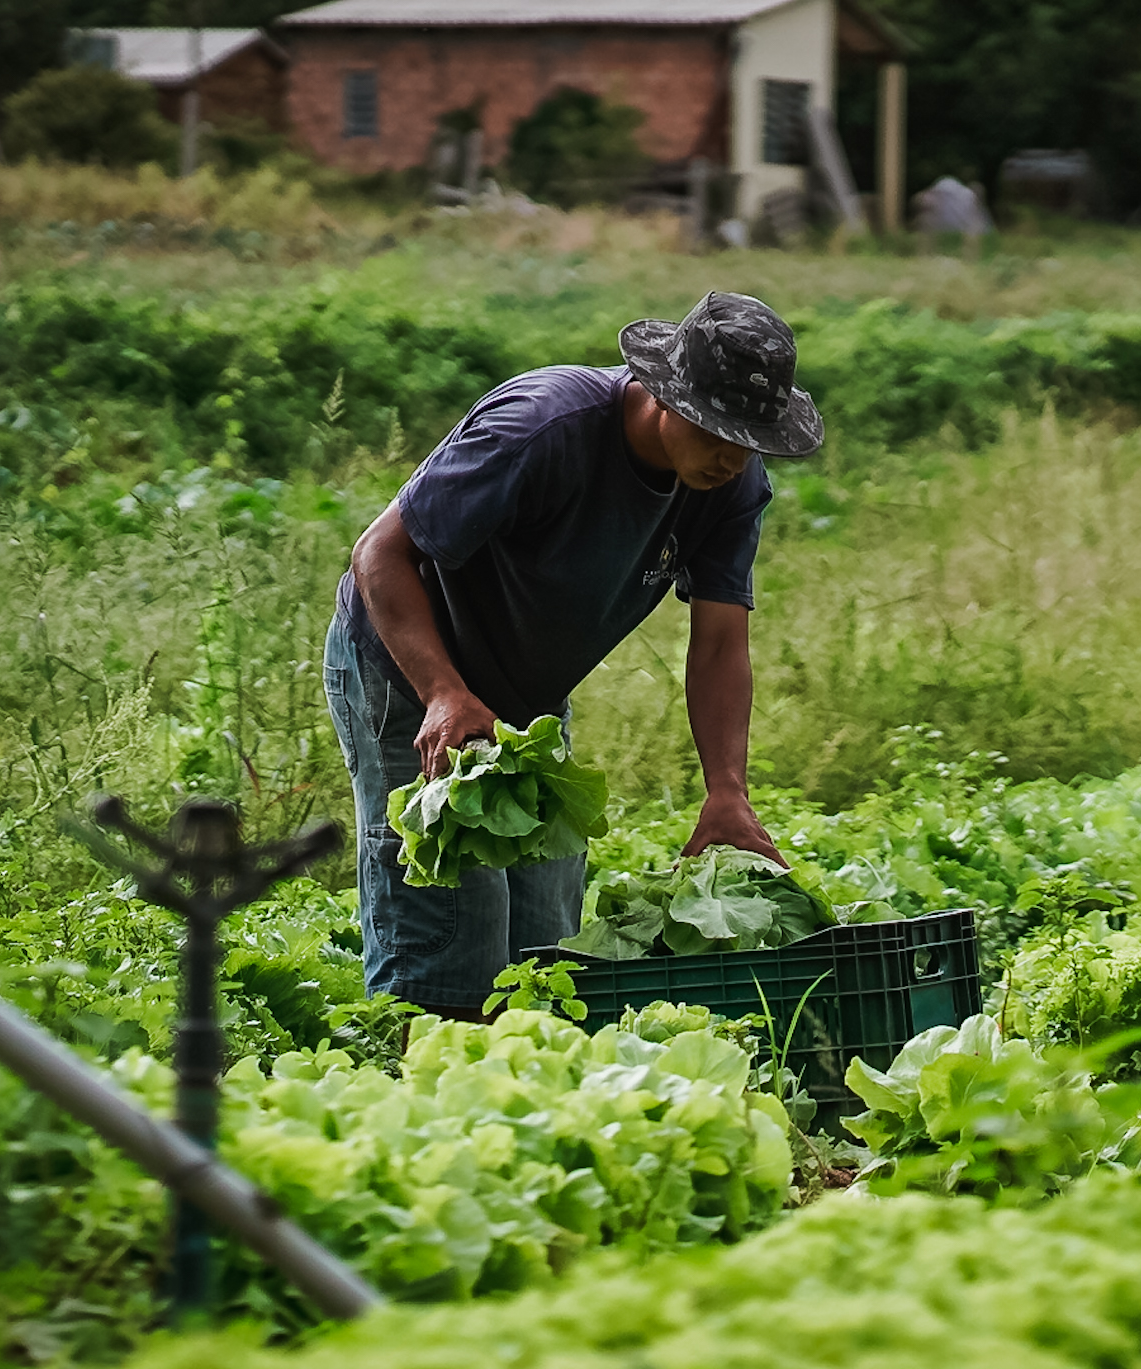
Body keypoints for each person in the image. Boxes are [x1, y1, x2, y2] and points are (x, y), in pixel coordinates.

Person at [323, 291, 823, 1018]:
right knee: (453, 927)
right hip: (409, 669)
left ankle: (520, 1099)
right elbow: (379, 554)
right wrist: (441, 692)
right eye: (719, 429)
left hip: (526, 699)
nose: (734, 454)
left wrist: (727, 788)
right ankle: (421, 1085)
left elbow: (719, 640)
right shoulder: (543, 427)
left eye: (751, 436)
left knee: (544, 942)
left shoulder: (731, 485)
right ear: (664, 395)